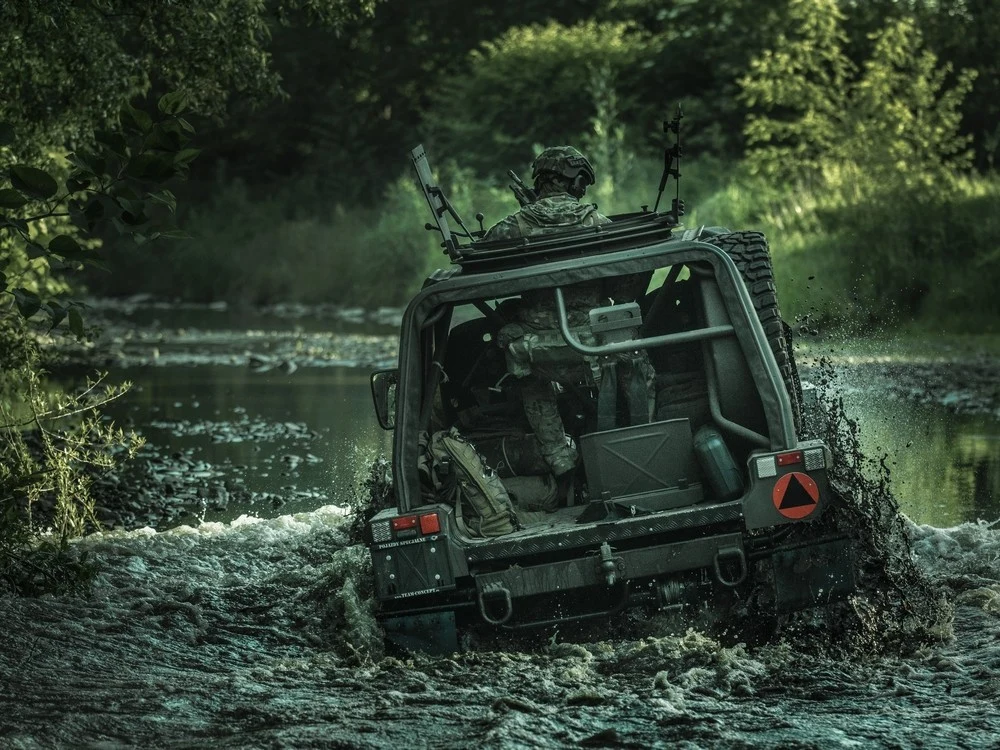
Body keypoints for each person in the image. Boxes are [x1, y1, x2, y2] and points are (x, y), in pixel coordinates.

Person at [484, 146, 651, 484]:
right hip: (595, 346)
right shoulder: (595, 222)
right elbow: (628, 275)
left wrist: (530, 212)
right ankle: (642, 446)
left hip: (536, 352)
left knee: (528, 380)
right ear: (574, 182)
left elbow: (484, 264)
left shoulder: (514, 225)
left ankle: (562, 463)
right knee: (639, 363)